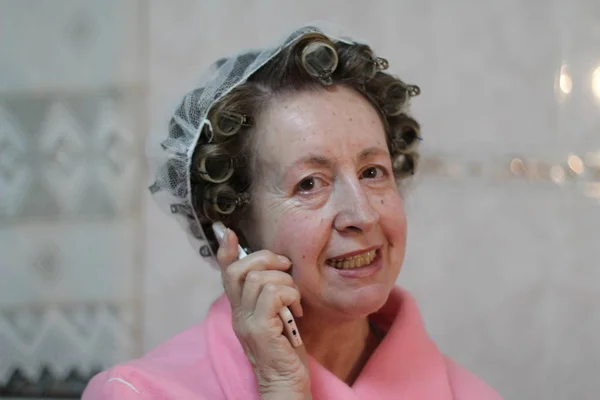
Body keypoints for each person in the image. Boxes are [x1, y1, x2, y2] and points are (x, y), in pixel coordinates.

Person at [82, 23, 502, 399]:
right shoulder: (138, 393)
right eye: (309, 183)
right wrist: (281, 388)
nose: (363, 215)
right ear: (234, 222)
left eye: (373, 171)